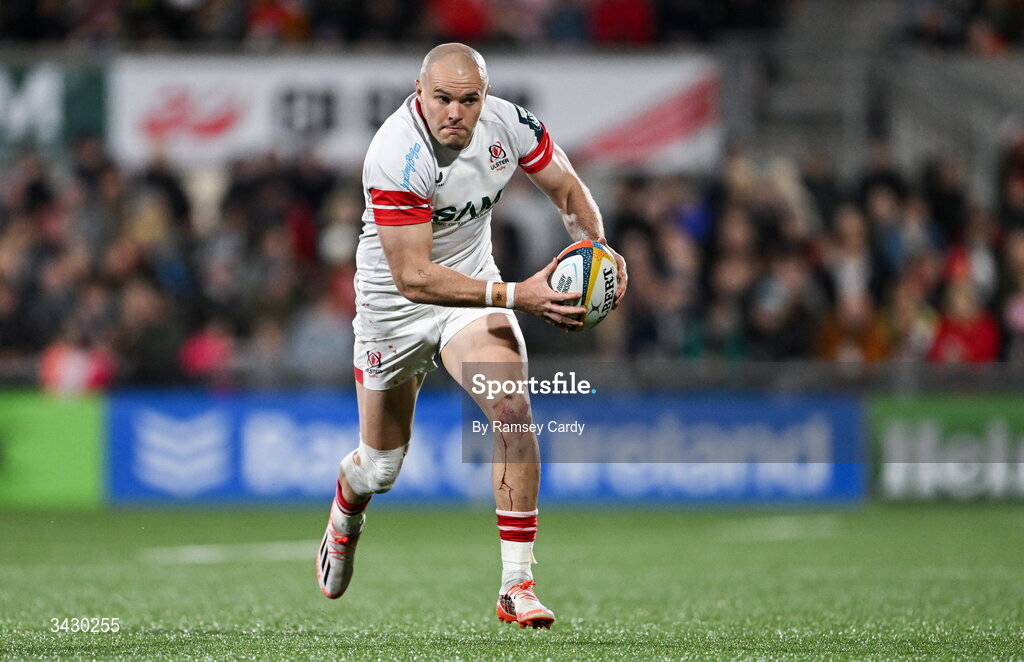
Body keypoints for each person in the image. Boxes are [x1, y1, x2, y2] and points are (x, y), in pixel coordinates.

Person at [316, 43, 627, 629]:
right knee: (382, 468)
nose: (455, 112)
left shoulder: (508, 125)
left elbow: (567, 190)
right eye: (442, 99)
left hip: (472, 294)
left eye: (468, 99)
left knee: (512, 407)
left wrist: (598, 250)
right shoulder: (395, 153)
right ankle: (347, 503)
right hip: (394, 310)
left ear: (484, 97)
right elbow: (413, 277)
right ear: (419, 92)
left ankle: (517, 585)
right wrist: (520, 295)